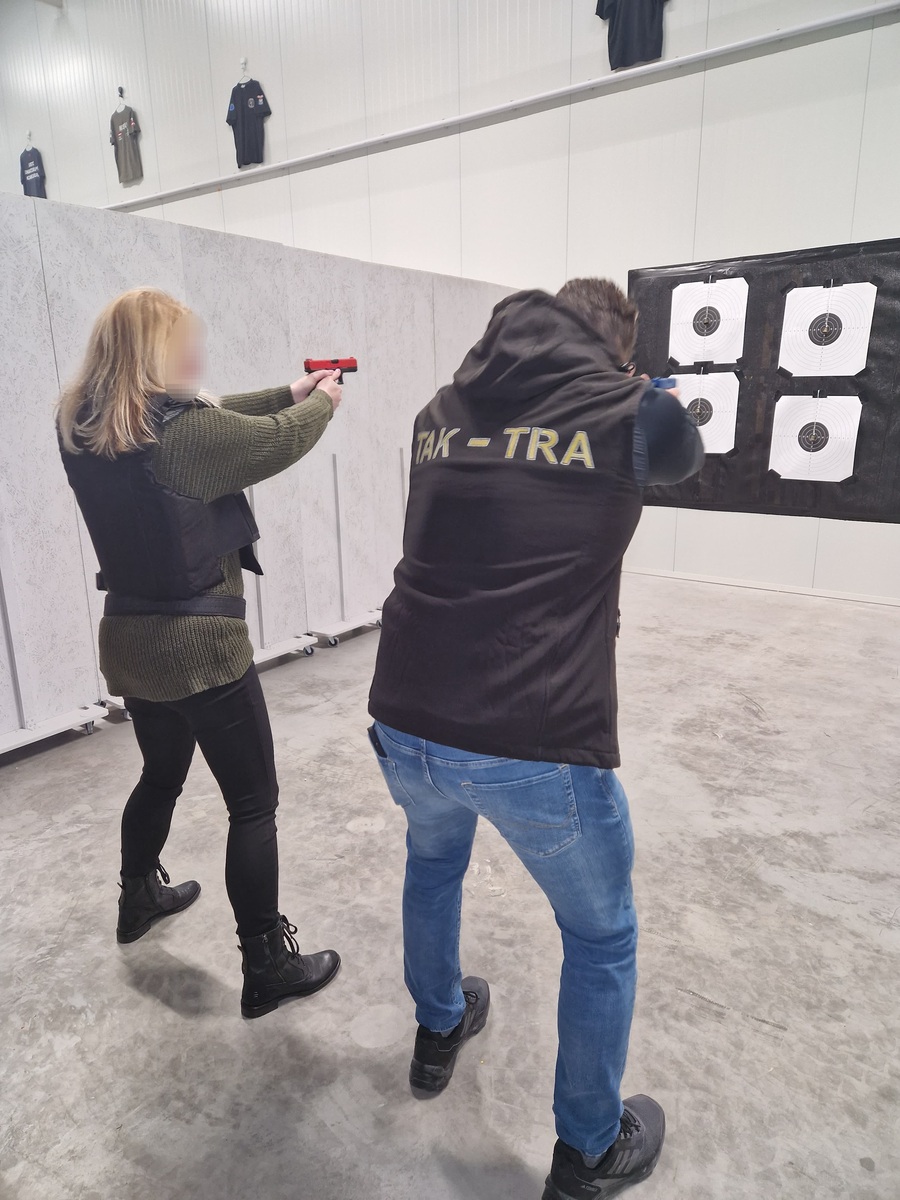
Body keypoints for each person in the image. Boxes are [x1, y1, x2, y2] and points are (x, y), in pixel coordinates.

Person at [367, 279, 704, 1198]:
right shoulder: (633, 411)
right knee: (601, 937)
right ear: (617, 350)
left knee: (433, 864)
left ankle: (440, 1024)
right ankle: (589, 1149)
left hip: (405, 713)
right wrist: (647, 391)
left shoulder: (438, 412)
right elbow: (685, 451)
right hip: (532, 732)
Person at [57, 288, 342, 1018]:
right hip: (202, 649)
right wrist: (321, 403)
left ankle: (137, 897)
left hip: (131, 644)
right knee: (253, 805)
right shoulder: (185, 439)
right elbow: (275, 439)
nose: (197, 353)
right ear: (154, 352)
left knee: (160, 775)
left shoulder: (85, 426)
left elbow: (215, 413)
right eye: (185, 342)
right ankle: (267, 966)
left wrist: (288, 389)